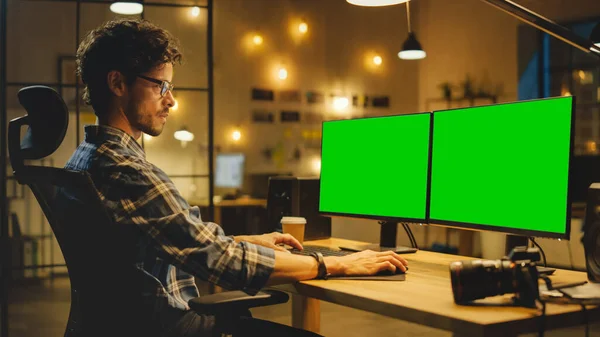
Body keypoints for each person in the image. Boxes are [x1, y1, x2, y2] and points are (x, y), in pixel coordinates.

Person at [68, 18, 408, 337]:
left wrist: (247, 241)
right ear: (117, 83)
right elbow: (222, 263)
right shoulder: (128, 171)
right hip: (169, 325)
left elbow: (175, 241)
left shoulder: (87, 157)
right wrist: (335, 265)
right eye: (161, 86)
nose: (170, 100)